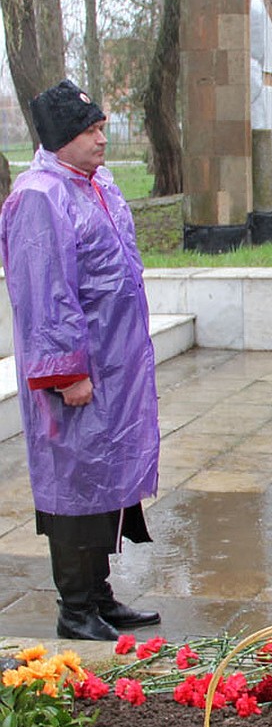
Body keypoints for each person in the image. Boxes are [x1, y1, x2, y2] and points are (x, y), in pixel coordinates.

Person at [0, 80, 161, 642]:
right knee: (74, 480)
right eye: (91, 130)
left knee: (108, 476)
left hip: (116, 365)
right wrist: (66, 371)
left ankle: (99, 595)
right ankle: (75, 608)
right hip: (76, 374)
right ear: (63, 137)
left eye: (100, 127)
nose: (102, 138)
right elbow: (43, 292)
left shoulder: (95, 184)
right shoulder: (41, 195)